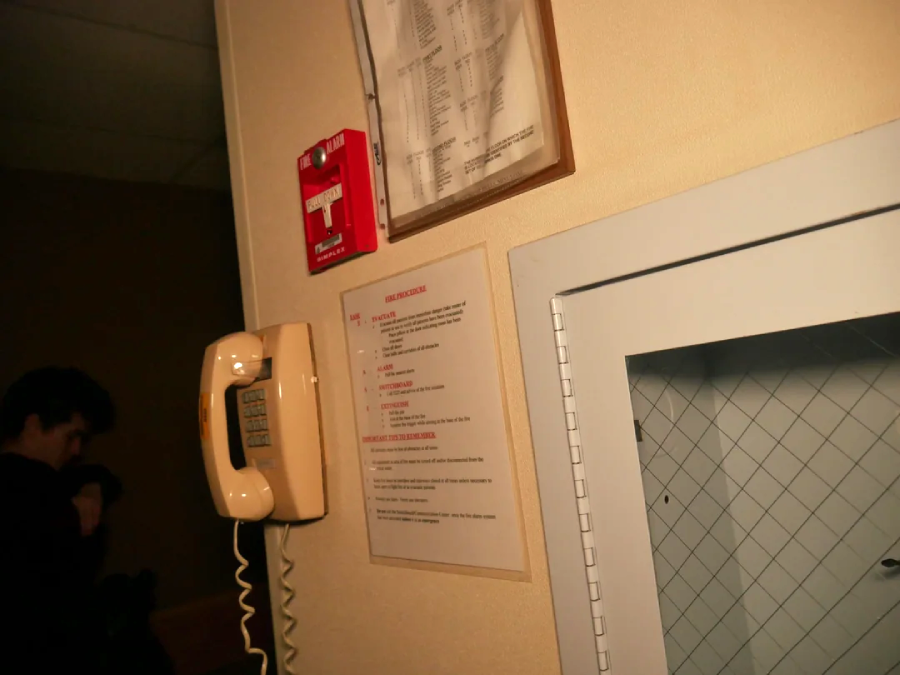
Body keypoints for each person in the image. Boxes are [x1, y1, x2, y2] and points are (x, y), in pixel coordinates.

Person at [0, 367, 119, 673]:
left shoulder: (57, 480)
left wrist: (92, 488)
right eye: (72, 436)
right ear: (32, 425)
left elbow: (101, 476)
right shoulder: (26, 486)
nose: (77, 450)